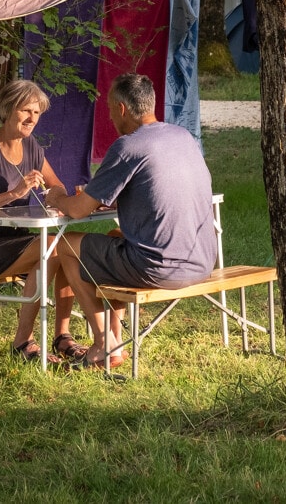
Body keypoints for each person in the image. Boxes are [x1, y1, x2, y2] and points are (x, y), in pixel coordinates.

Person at [46, 72, 216, 369]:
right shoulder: (183, 136)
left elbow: (78, 211)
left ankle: (103, 346)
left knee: (66, 246)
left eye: (110, 109)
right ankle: (113, 335)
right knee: (114, 234)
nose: (110, 118)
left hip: (159, 268)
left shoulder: (128, 146)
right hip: (202, 262)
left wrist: (57, 197)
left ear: (122, 108)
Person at [0, 79, 83, 362]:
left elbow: (56, 184)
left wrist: (55, 198)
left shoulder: (32, 147)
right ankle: (23, 341)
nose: (32, 118)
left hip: (15, 242)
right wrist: (14, 193)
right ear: (9, 109)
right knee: (54, 247)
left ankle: (62, 336)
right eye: (26, 110)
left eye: (36, 113)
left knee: (66, 244)